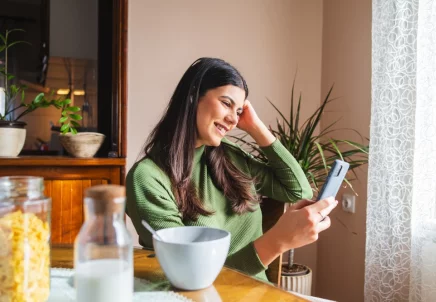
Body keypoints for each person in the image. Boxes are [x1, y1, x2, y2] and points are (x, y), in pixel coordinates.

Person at [126, 57, 338, 282]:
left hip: (260, 294)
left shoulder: (227, 155)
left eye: (239, 112)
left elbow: (298, 191)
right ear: (192, 97)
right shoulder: (147, 178)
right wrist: (277, 242)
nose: (233, 120)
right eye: (226, 103)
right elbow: (189, 276)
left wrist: (256, 127)